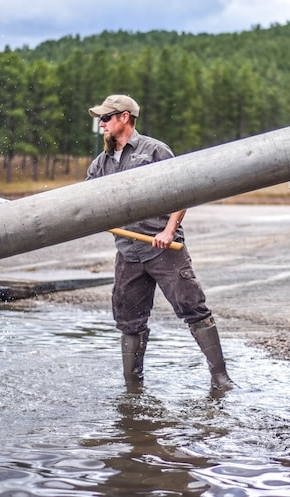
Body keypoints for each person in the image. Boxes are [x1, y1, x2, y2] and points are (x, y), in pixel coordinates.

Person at [86, 94, 234, 391]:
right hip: (127, 253)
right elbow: (88, 204)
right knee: (129, 322)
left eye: (106, 117)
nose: (100, 123)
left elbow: (184, 191)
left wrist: (169, 230)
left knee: (194, 309)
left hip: (163, 250)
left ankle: (220, 378)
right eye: (100, 119)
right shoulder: (99, 165)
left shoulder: (154, 151)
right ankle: (133, 388)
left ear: (124, 117)